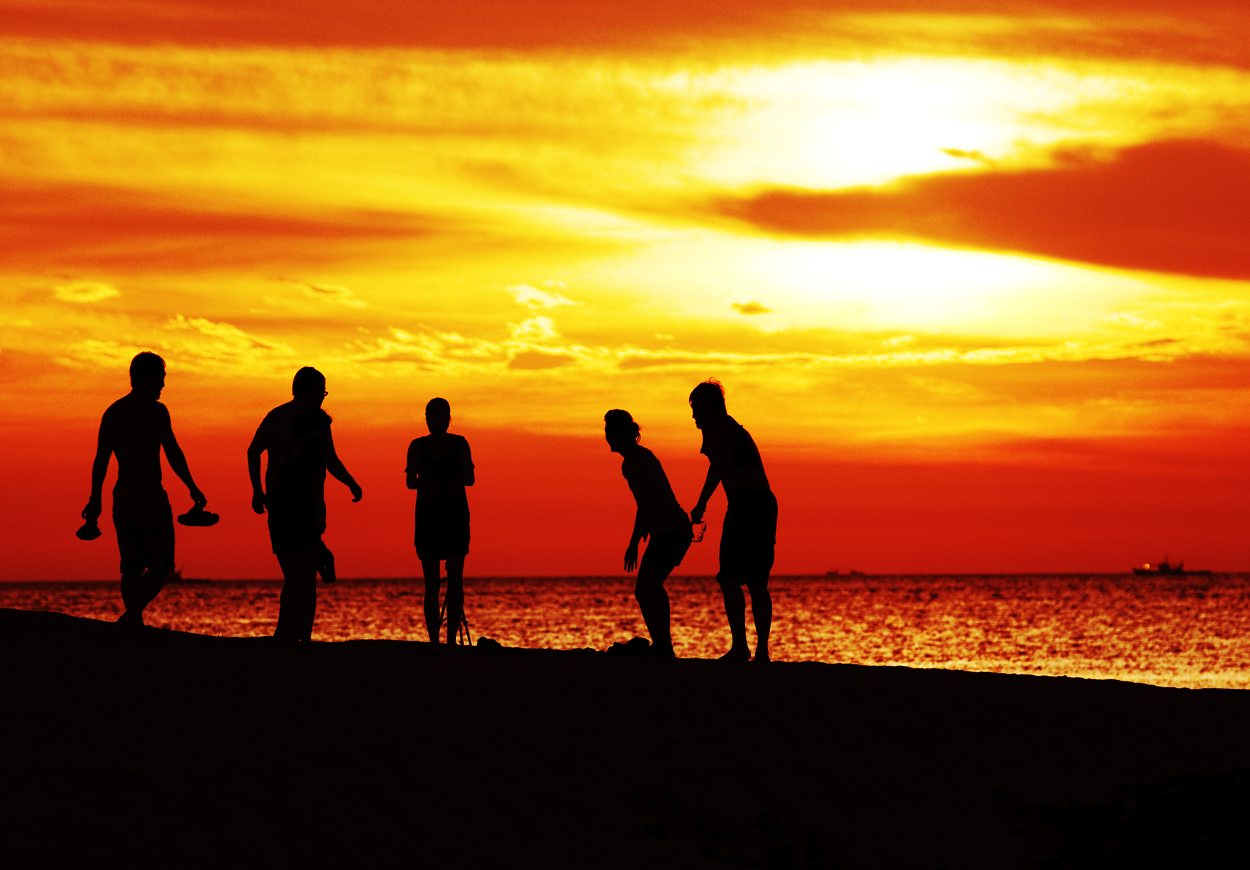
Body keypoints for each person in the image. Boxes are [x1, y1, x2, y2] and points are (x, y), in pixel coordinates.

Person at [81, 352, 208, 632]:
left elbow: (101, 460)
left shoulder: (113, 412)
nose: (163, 383)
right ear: (148, 376)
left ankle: (133, 621)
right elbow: (172, 452)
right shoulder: (156, 411)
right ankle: (132, 616)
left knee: (132, 565)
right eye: (160, 377)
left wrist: (95, 499)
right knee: (161, 564)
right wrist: (192, 486)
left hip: (123, 496)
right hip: (150, 495)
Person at [248, 367, 362, 643]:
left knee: (292, 576)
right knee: (306, 578)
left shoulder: (275, 416)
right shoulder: (317, 421)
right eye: (322, 391)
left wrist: (257, 491)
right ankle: (303, 637)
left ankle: (284, 634)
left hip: (277, 501)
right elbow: (330, 460)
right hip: (306, 503)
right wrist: (351, 483)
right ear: (312, 390)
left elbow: (253, 451)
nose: (323, 397)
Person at [688, 380, 777, 662]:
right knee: (757, 582)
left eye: (695, 408)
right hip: (763, 504)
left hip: (747, 504)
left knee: (729, 577)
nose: (693, 416)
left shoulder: (715, 426)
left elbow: (719, 466)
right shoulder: (736, 429)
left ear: (708, 407)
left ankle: (741, 647)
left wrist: (701, 504)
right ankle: (761, 652)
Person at [605, 409, 692, 658]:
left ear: (616, 434)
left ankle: (662, 645)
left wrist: (633, 543)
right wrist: (645, 528)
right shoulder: (643, 455)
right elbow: (651, 499)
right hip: (676, 530)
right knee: (654, 586)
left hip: (669, 532)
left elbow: (644, 503)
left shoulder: (632, 463)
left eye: (608, 431)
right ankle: (664, 644)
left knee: (644, 590)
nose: (606, 436)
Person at [406, 398, 475, 646]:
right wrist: (425, 481)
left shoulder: (460, 443)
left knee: (455, 581)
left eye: (440, 415)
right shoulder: (417, 446)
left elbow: (470, 478)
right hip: (429, 518)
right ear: (426, 418)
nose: (435, 419)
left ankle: (450, 640)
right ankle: (434, 640)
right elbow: (410, 482)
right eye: (431, 415)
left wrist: (458, 481)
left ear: (448, 418)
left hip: (455, 516)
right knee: (432, 584)